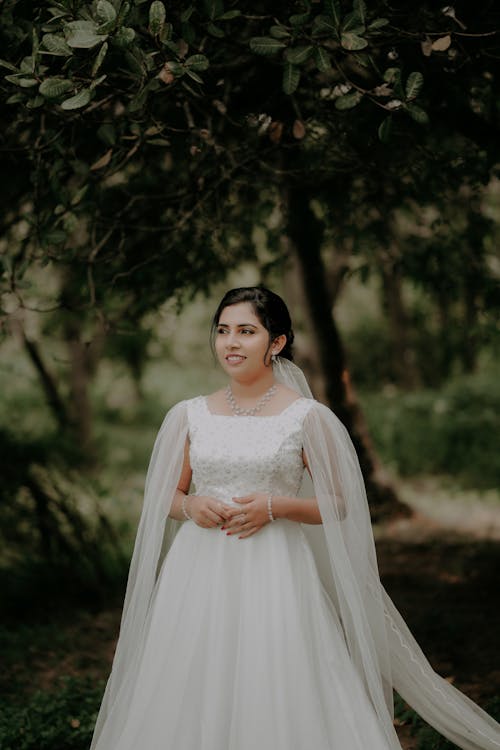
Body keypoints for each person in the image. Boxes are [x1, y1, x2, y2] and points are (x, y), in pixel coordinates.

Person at [90, 286, 500, 750]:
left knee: (277, 672)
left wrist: (276, 506)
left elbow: (339, 502)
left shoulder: (308, 418)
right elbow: (167, 493)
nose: (231, 343)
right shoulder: (189, 415)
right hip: (197, 570)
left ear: (277, 342)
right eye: (222, 331)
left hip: (275, 568)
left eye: (246, 331)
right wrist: (190, 506)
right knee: (191, 674)